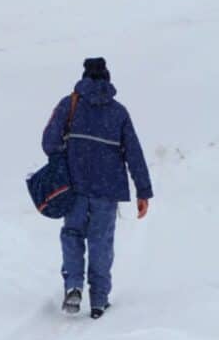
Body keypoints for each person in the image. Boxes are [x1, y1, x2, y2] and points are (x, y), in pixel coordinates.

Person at [42, 58, 152, 319]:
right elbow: (134, 153)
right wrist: (143, 192)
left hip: (76, 186)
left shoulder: (69, 105)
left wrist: (66, 160)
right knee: (101, 242)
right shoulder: (119, 112)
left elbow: (48, 141)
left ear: (84, 77)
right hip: (107, 188)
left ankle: (74, 286)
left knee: (72, 235)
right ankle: (99, 300)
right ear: (107, 78)